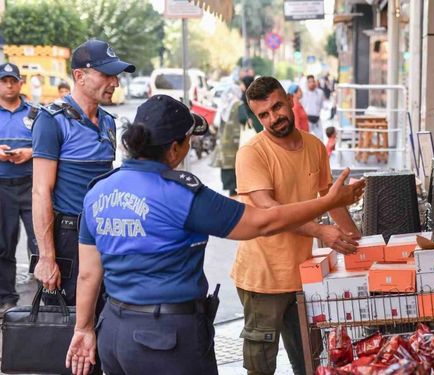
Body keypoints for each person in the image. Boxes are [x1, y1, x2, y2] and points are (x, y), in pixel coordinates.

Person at [64, 94, 365, 375]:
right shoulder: (181, 195)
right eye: (188, 141)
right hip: (167, 340)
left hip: (113, 334)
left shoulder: (98, 190)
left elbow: (89, 275)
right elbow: (263, 223)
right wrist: (329, 201)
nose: (189, 148)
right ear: (174, 148)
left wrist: (83, 329)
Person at [233, 76, 362, 375]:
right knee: (261, 366)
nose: (273, 118)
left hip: (305, 275)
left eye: (277, 106)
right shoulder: (252, 153)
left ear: (291, 100)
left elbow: (330, 199)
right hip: (262, 277)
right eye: (263, 114)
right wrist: (320, 231)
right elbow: (269, 210)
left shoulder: (314, 146)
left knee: (310, 361)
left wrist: (358, 242)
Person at [31, 39, 135, 306]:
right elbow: (41, 190)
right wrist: (46, 257)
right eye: (107, 75)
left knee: (107, 318)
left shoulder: (109, 122)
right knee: (69, 325)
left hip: (106, 234)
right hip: (69, 237)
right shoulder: (52, 121)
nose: (115, 83)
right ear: (80, 76)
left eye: (116, 76)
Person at [0, 63, 38, 315]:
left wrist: (30, 152)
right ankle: (7, 299)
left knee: (41, 244)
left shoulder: (35, 114)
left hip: (31, 185)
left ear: (21, 83)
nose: (9, 85)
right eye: (4, 81)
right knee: (4, 246)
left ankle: (45, 298)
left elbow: (50, 146)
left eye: (13, 80)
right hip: (2, 187)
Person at [213, 85, 244, 196]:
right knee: (235, 170)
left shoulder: (224, 106)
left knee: (228, 168)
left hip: (224, 144)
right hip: (236, 143)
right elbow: (244, 119)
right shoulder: (238, 105)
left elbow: (216, 123)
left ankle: (231, 193)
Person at [300, 74, 325, 140]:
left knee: (321, 139)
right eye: (310, 82)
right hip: (307, 119)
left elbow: (321, 105)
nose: (312, 83)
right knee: (306, 140)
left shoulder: (320, 93)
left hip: (317, 119)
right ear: (307, 83)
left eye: (313, 81)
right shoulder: (303, 94)